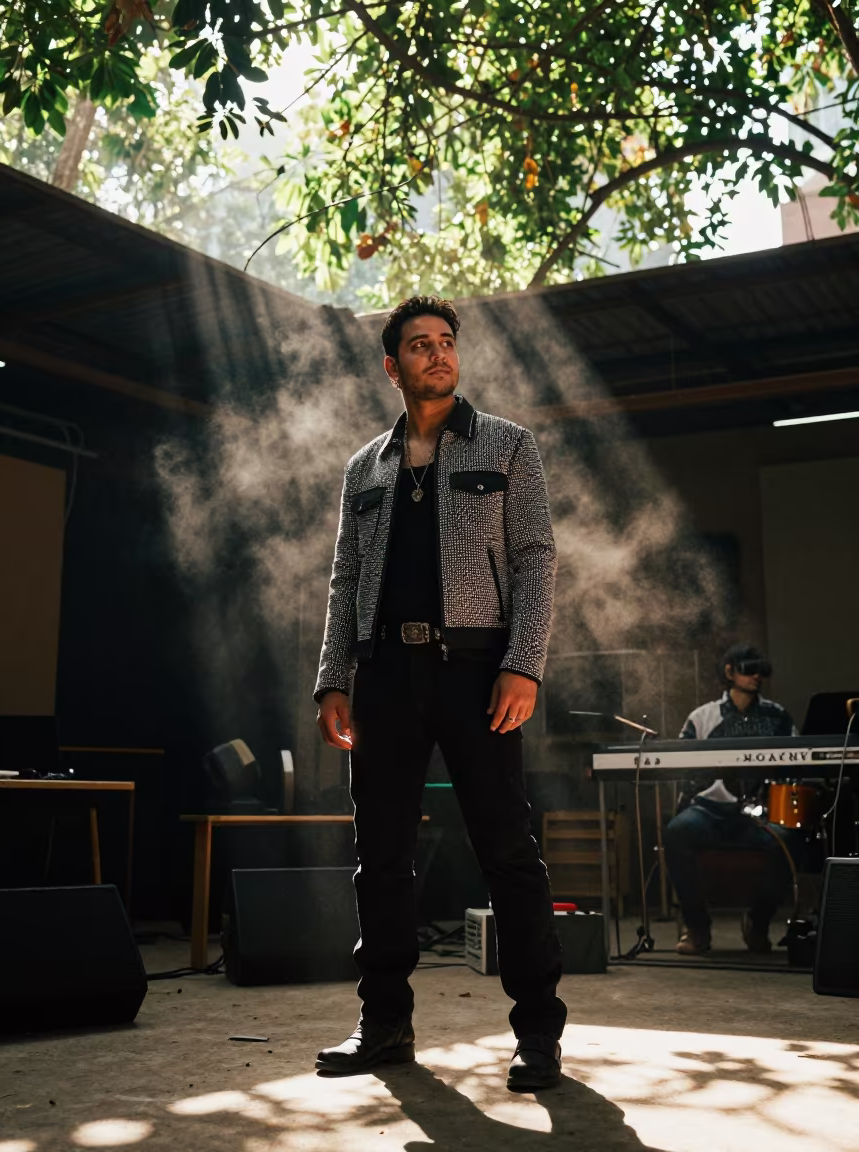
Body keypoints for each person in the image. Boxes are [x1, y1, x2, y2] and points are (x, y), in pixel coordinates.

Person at [313, 295, 566, 1091]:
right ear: (393, 366)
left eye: (446, 342)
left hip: (476, 670)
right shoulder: (367, 467)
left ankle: (537, 1036)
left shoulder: (507, 445)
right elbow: (345, 578)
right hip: (385, 674)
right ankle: (384, 1025)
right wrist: (333, 679)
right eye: (419, 345)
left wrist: (523, 663)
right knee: (380, 858)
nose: (437, 353)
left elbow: (536, 559)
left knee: (508, 852)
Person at [663, 643, 797, 955]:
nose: (756, 677)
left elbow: (797, 764)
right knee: (677, 831)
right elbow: (682, 768)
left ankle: (758, 923)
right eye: (749, 669)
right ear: (729, 671)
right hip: (709, 810)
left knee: (787, 840)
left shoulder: (777, 717)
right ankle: (697, 928)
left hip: (759, 813)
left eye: (761, 671)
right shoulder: (702, 716)